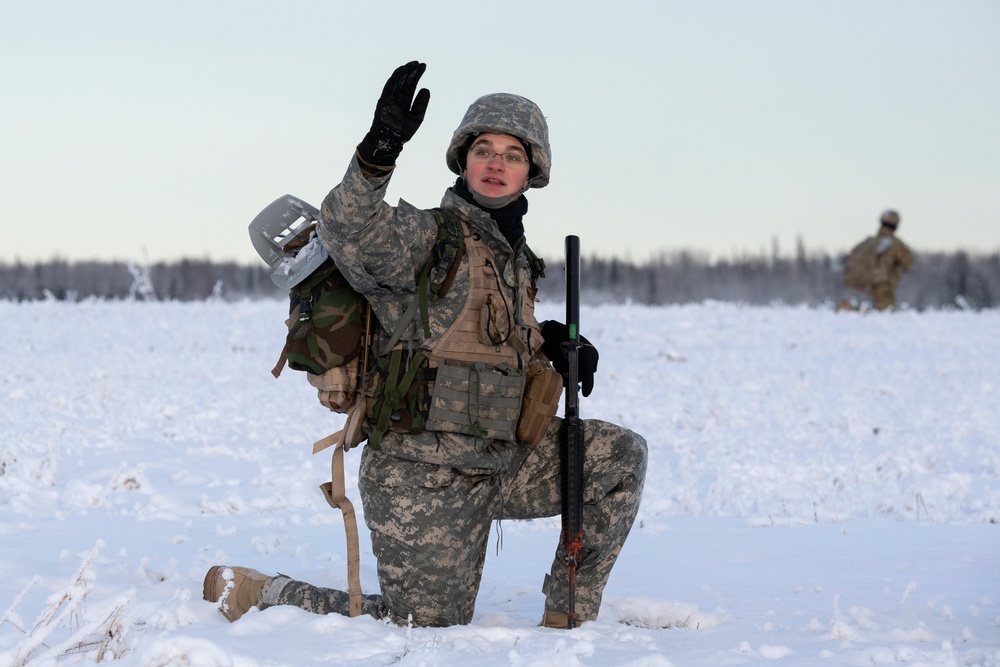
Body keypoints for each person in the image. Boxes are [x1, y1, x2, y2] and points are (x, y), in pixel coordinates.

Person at [204, 61, 647, 629]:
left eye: (513, 155)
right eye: (483, 149)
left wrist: (553, 344)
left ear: (531, 171)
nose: (496, 163)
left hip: (501, 458)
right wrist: (378, 150)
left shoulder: (517, 261)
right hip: (422, 474)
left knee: (619, 458)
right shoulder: (424, 238)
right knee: (424, 626)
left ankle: (569, 614)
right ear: (463, 159)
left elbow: (482, 346)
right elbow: (351, 229)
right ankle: (263, 592)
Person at [839, 209, 915, 311]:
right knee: (884, 318)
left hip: (855, 288)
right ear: (896, 226)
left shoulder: (865, 243)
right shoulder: (895, 244)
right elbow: (909, 263)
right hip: (881, 289)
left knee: (855, 318)